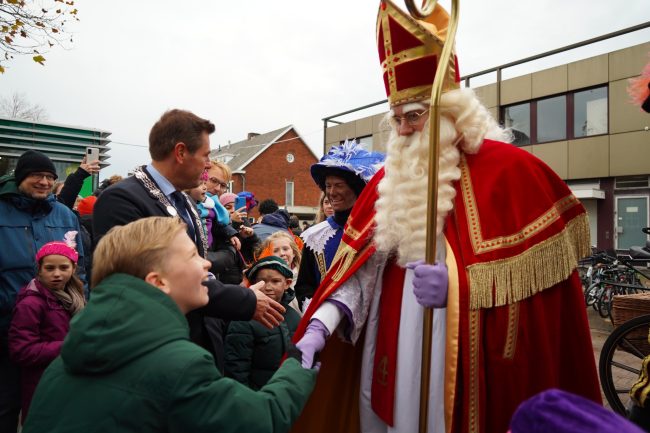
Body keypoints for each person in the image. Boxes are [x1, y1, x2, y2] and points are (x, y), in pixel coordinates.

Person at [292, 2, 601, 433]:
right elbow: (359, 274)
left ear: (452, 112)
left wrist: (457, 286)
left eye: (414, 116)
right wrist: (322, 324)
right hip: (389, 351)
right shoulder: (389, 180)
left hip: (460, 362)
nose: (402, 131)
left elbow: (539, 311)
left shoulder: (511, 172)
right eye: (396, 119)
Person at [22, 217, 318, 433]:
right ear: (158, 282)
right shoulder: (179, 366)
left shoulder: (64, 363)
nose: (206, 265)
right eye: (192, 256)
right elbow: (261, 419)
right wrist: (299, 364)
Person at [93, 109, 284, 372]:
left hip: (200, 336)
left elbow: (199, 266)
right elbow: (157, 281)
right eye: (205, 155)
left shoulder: (185, 201)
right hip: (155, 350)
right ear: (181, 152)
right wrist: (243, 300)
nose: (209, 165)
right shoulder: (123, 200)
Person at [0, 150, 86, 433]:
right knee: (6, 404)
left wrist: (79, 310)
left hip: (54, 332)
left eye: (50, 176)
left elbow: (79, 267)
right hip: (6, 327)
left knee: (48, 404)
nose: (45, 182)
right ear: (21, 176)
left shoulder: (64, 214)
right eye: (38, 175)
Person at [294, 140, 384, 307]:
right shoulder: (316, 236)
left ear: (356, 189)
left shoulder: (379, 233)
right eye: (328, 186)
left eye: (339, 185)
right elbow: (304, 286)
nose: (331, 193)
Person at [8, 236, 86, 423]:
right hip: (43, 384)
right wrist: (68, 346)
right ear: (40, 270)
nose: (57, 274)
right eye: (49, 268)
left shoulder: (77, 299)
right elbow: (22, 350)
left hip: (72, 381)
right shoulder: (31, 304)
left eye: (64, 268)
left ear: (74, 269)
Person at [225, 256, 302, 390]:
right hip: (257, 396)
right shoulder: (244, 319)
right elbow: (236, 365)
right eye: (262, 281)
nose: (268, 287)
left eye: (275, 281)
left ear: (287, 283)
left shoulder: (294, 317)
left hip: (287, 392)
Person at [257, 231, 303, 314]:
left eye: (285, 249)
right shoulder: (261, 279)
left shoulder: (304, 276)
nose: (282, 253)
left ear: (294, 253)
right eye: (276, 250)